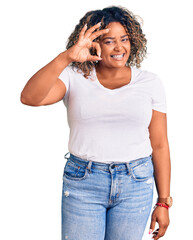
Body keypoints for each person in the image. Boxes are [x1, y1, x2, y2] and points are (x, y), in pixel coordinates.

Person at [20, 5, 172, 240]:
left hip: (136, 183)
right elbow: (29, 97)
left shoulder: (150, 83)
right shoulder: (73, 77)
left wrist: (164, 203)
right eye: (109, 41)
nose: (119, 47)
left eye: (124, 39)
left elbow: (160, 144)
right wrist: (66, 57)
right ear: (94, 43)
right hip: (84, 182)